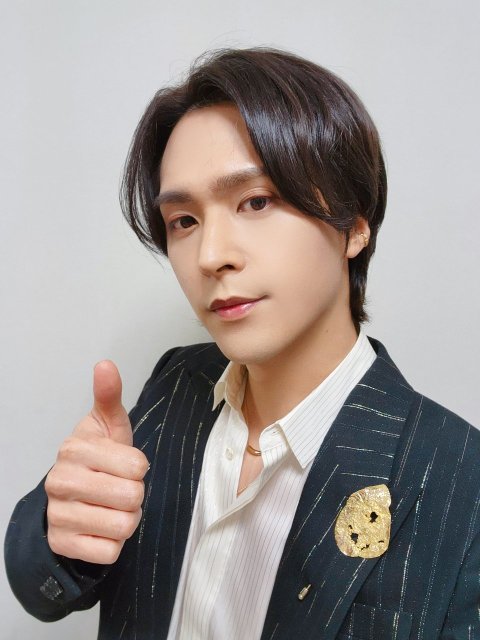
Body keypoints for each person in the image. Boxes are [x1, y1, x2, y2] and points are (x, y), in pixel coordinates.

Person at [4, 48, 480, 640]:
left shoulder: (458, 477)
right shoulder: (175, 384)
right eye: (184, 221)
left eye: (256, 201)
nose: (210, 256)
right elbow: (41, 585)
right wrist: (64, 524)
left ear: (355, 223)